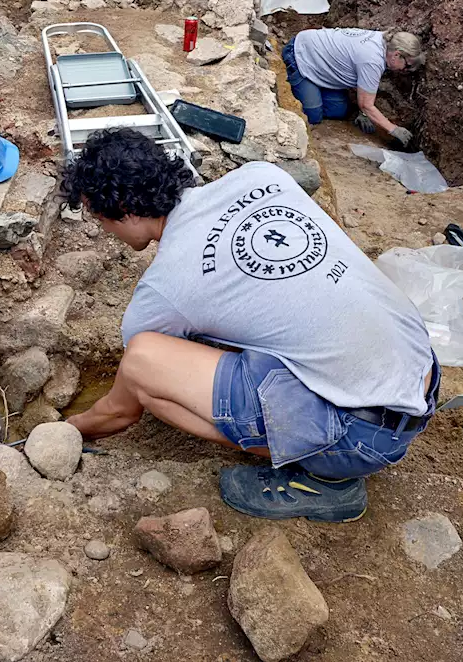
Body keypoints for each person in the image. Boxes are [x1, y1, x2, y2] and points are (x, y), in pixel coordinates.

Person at [63, 129, 438, 522]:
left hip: (365, 438)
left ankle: (325, 482)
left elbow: (122, 410)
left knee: (143, 368)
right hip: (420, 367)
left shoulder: (167, 288)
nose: (104, 229)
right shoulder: (261, 176)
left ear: (123, 208)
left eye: (99, 216)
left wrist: (73, 429)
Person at [281, 28, 424, 149]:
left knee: (338, 110)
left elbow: (362, 80)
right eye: (407, 65)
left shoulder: (385, 40)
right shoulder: (372, 60)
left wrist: (366, 112)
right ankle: (305, 85)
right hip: (300, 55)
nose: (406, 70)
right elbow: (366, 104)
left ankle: (317, 86)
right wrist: (393, 129)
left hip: (320, 59)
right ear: (397, 54)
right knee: (313, 116)